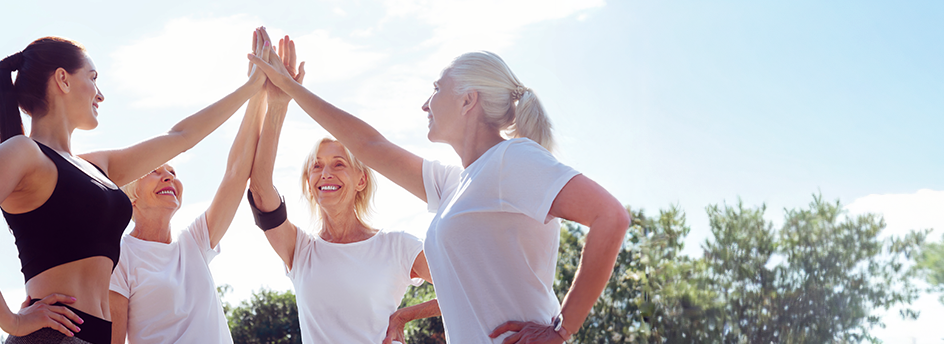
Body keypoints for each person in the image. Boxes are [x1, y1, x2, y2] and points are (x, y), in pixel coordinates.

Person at [248, 47, 631, 344]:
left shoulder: (511, 159)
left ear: (468, 100)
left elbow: (611, 217)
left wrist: (562, 331)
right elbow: (368, 144)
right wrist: (292, 91)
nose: (425, 103)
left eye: (436, 90)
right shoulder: (455, 185)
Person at [0, 30, 273, 344]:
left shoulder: (97, 167)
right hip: (54, 335)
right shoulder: (23, 152)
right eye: (93, 78)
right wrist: (11, 321)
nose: (100, 93)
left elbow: (181, 138)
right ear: (63, 80)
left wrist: (252, 86)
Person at [244, 35, 441, 344]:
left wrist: (404, 315)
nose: (326, 173)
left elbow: (465, 286)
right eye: (316, 166)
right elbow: (259, 188)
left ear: (361, 180)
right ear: (309, 182)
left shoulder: (398, 247)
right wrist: (278, 104)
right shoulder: (300, 251)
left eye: (338, 164)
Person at [106, 46, 270, 344]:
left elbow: (236, 172)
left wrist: (258, 91)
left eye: (172, 171)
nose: (168, 175)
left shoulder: (194, 241)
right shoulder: (119, 256)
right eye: (154, 171)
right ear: (131, 195)